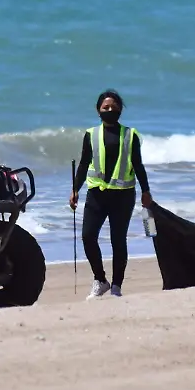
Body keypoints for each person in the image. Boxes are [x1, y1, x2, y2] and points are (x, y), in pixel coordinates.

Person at [69, 90, 153, 299]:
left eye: (113, 107)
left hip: (123, 195)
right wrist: (74, 190)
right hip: (96, 193)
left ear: (120, 110)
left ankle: (117, 286)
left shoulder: (130, 134)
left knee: (118, 240)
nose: (109, 110)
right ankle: (100, 280)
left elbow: (138, 165)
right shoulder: (91, 134)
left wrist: (146, 191)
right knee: (88, 237)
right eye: (105, 107)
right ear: (98, 110)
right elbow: (83, 164)